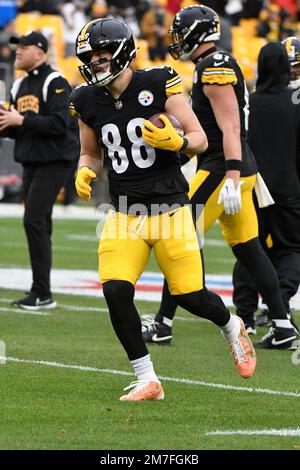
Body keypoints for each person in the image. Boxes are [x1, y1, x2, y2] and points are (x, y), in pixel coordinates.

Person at [72, 17, 256, 401]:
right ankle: (147, 378)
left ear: (122, 53)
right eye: (89, 58)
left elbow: (200, 139)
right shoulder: (85, 99)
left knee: (191, 296)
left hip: (170, 208)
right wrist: (85, 171)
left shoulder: (157, 82)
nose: (95, 64)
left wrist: (176, 141)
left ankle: (231, 324)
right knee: (116, 290)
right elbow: (90, 151)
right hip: (124, 212)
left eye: (101, 56)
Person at [142, 4, 298, 350]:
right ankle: (284, 325)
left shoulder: (214, 67)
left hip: (222, 168)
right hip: (234, 167)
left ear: (199, 33)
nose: (178, 39)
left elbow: (230, 127)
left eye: (182, 32)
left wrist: (229, 173)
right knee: (250, 249)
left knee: (177, 236)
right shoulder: (211, 65)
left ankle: (164, 323)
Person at [0, 31, 79, 309]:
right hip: (32, 161)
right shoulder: (19, 85)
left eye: (24, 47)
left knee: (34, 220)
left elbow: (61, 124)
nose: (17, 51)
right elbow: (13, 125)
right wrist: (8, 122)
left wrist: (22, 119)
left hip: (54, 160)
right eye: (16, 47)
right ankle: (42, 291)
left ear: (41, 51)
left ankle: (42, 292)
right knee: (39, 222)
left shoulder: (55, 81)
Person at [232, 40, 300, 337]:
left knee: (250, 249)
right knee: (291, 249)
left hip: (253, 185)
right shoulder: (296, 101)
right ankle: (280, 310)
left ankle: (244, 316)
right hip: (288, 186)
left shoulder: (249, 101)